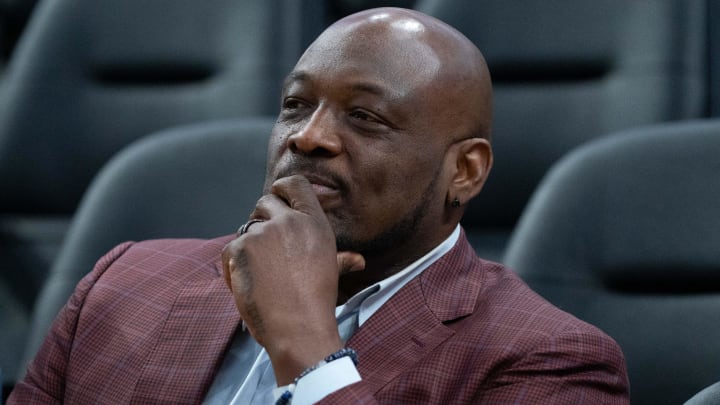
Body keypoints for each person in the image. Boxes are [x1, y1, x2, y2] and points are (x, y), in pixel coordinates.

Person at [9, 7, 629, 404]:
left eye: (365, 117)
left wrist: (307, 350)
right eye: (295, 106)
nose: (309, 137)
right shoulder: (123, 283)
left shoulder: (549, 363)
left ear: (463, 171)